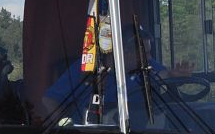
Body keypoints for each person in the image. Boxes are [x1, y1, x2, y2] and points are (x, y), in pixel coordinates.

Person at [42, 22, 189, 123]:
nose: (149, 58)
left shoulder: (146, 65)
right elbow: (49, 100)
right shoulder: (87, 66)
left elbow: (162, 75)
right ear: (124, 52)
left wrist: (173, 75)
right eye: (145, 53)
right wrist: (66, 130)